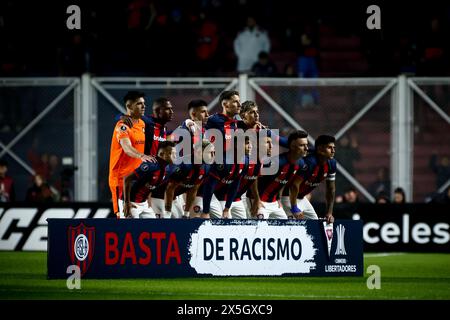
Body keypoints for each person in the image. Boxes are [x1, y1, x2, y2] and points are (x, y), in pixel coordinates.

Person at [108, 91, 154, 218]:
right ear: (129, 106)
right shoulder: (122, 126)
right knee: (125, 223)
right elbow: (127, 148)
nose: (144, 106)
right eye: (139, 104)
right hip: (121, 180)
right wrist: (142, 156)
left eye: (144, 103)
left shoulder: (142, 123)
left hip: (136, 180)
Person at [282, 135, 336, 223]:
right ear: (320, 149)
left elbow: (331, 189)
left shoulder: (332, 164)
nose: (333, 151)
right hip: (288, 198)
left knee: (315, 225)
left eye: (334, 147)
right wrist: (294, 208)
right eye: (330, 148)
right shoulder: (309, 162)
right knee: (291, 226)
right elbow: (294, 185)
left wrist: (329, 213)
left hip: (302, 198)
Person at [255, 130, 309, 219]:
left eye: (306, 145)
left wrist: (279, 198)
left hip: (275, 203)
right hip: (260, 201)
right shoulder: (276, 162)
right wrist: (256, 200)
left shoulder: (301, 164)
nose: (307, 148)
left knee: (286, 228)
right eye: (302, 145)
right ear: (292, 146)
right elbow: (254, 179)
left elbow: (283, 182)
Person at [122, 141, 176, 219]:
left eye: (176, 153)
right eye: (172, 153)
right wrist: (126, 203)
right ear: (161, 154)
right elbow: (127, 179)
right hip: (132, 202)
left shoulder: (170, 169)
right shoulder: (150, 165)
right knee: (132, 230)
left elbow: (150, 186)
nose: (175, 156)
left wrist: (148, 201)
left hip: (144, 204)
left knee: (153, 227)